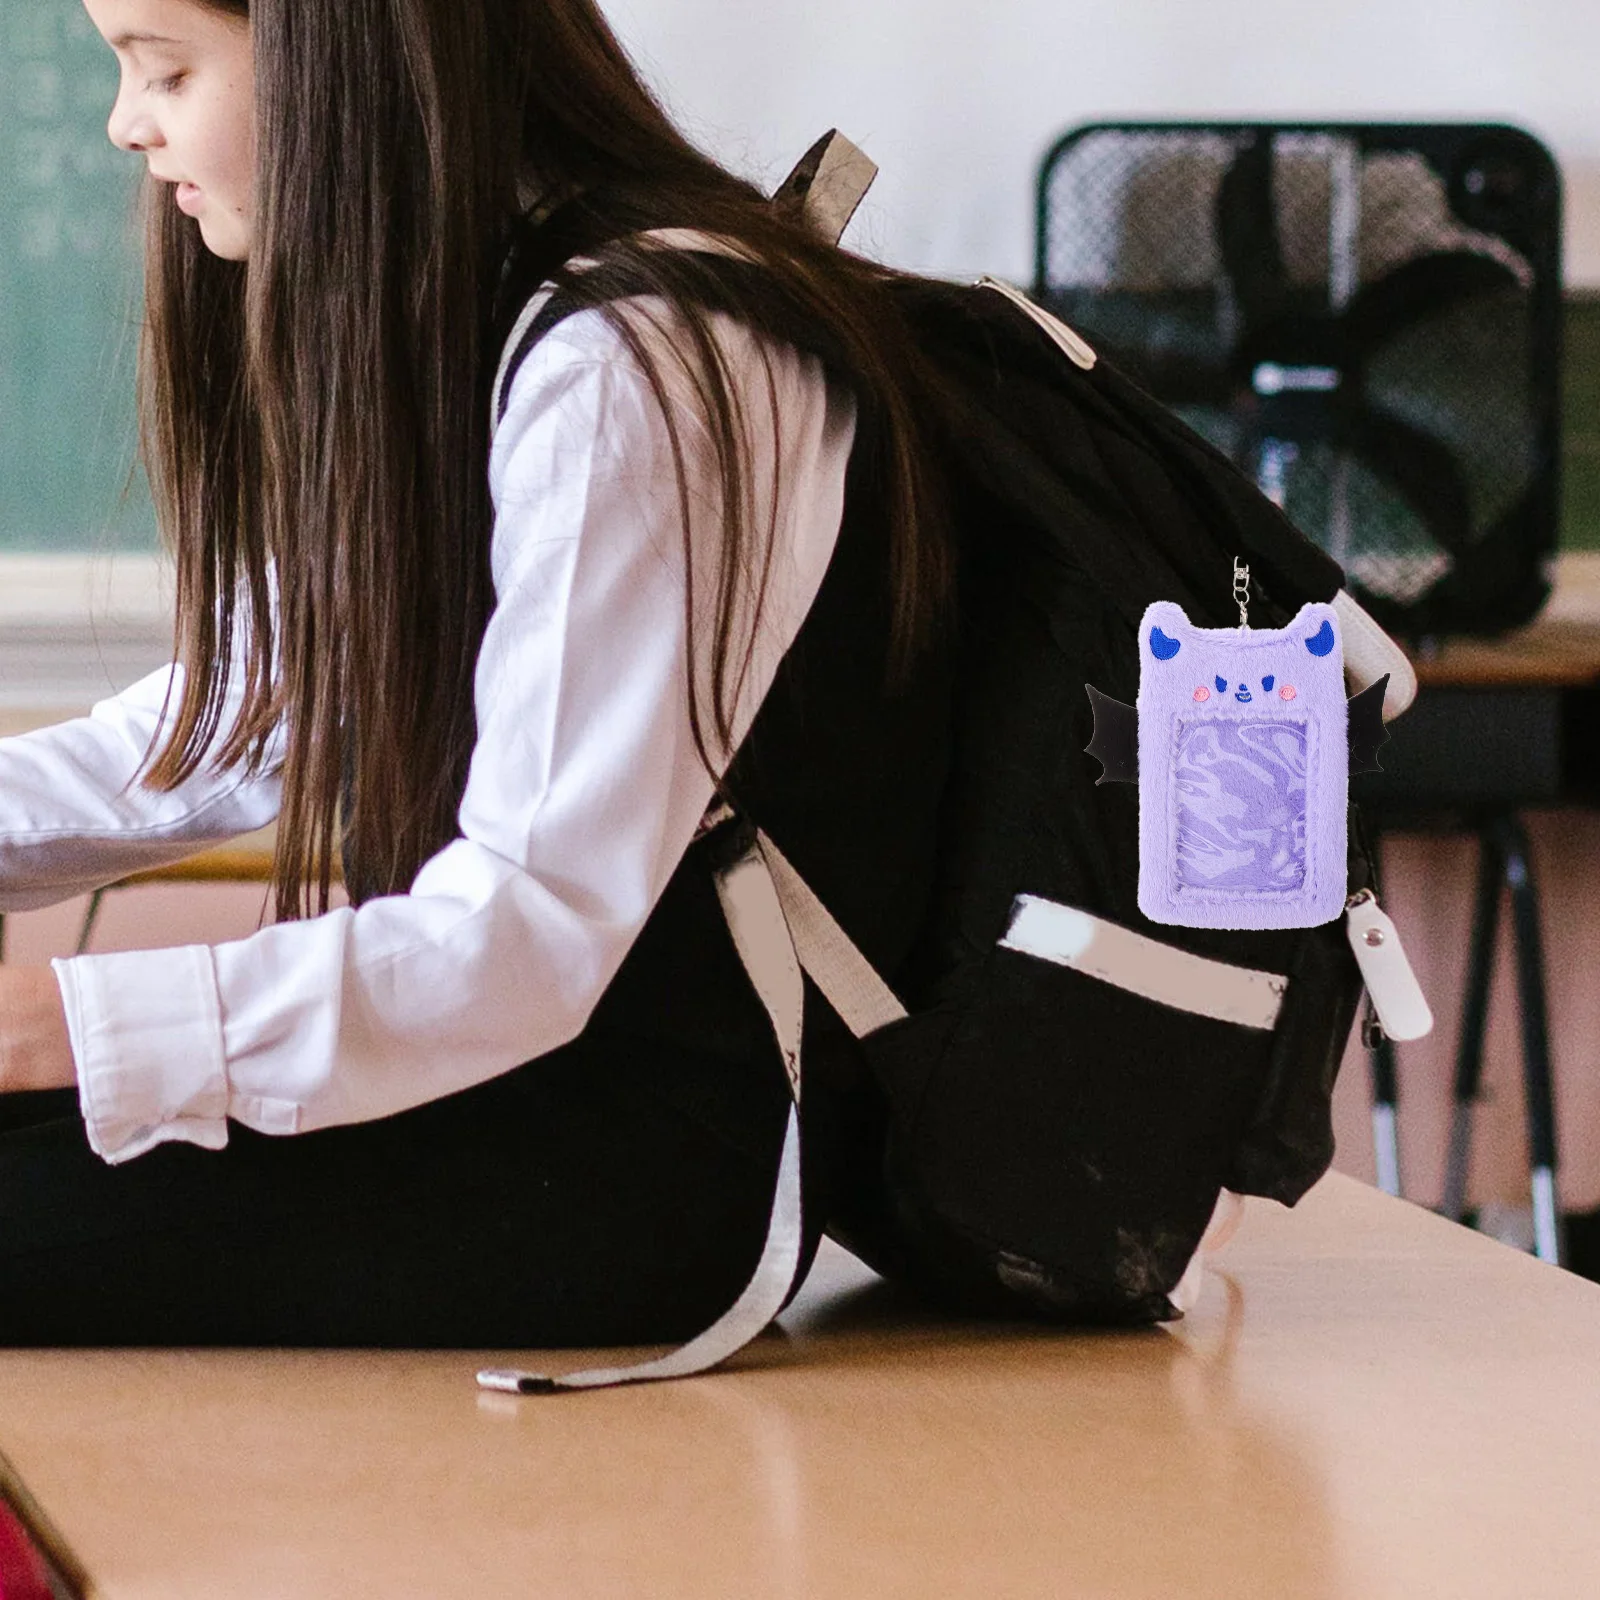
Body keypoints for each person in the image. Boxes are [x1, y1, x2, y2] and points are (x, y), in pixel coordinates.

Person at [0, 0, 957, 1345]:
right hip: (503, 1099)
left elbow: (525, 931)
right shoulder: (500, 307)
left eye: (166, 66)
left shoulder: (637, 361)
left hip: (620, 1167)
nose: (125, 123)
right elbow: (248, 716)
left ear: (347, 55)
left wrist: (43, 1026)